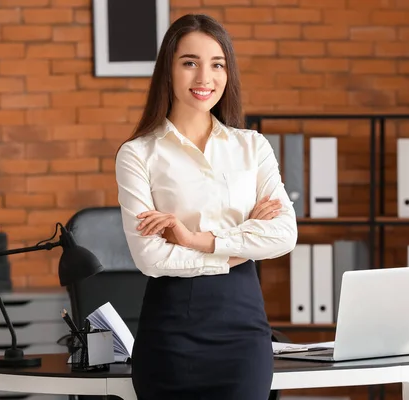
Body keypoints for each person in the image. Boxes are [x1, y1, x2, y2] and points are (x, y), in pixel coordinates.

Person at [114, 13, 298, 400]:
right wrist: (237, 246)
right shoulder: (138, 154)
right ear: (167, 70)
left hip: (243, 333)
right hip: (170, 335)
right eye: (189, 63)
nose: (204, 78)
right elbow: (150, 257)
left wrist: (196, 240)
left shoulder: (252, 147)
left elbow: (284, 234)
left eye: (217, 65)